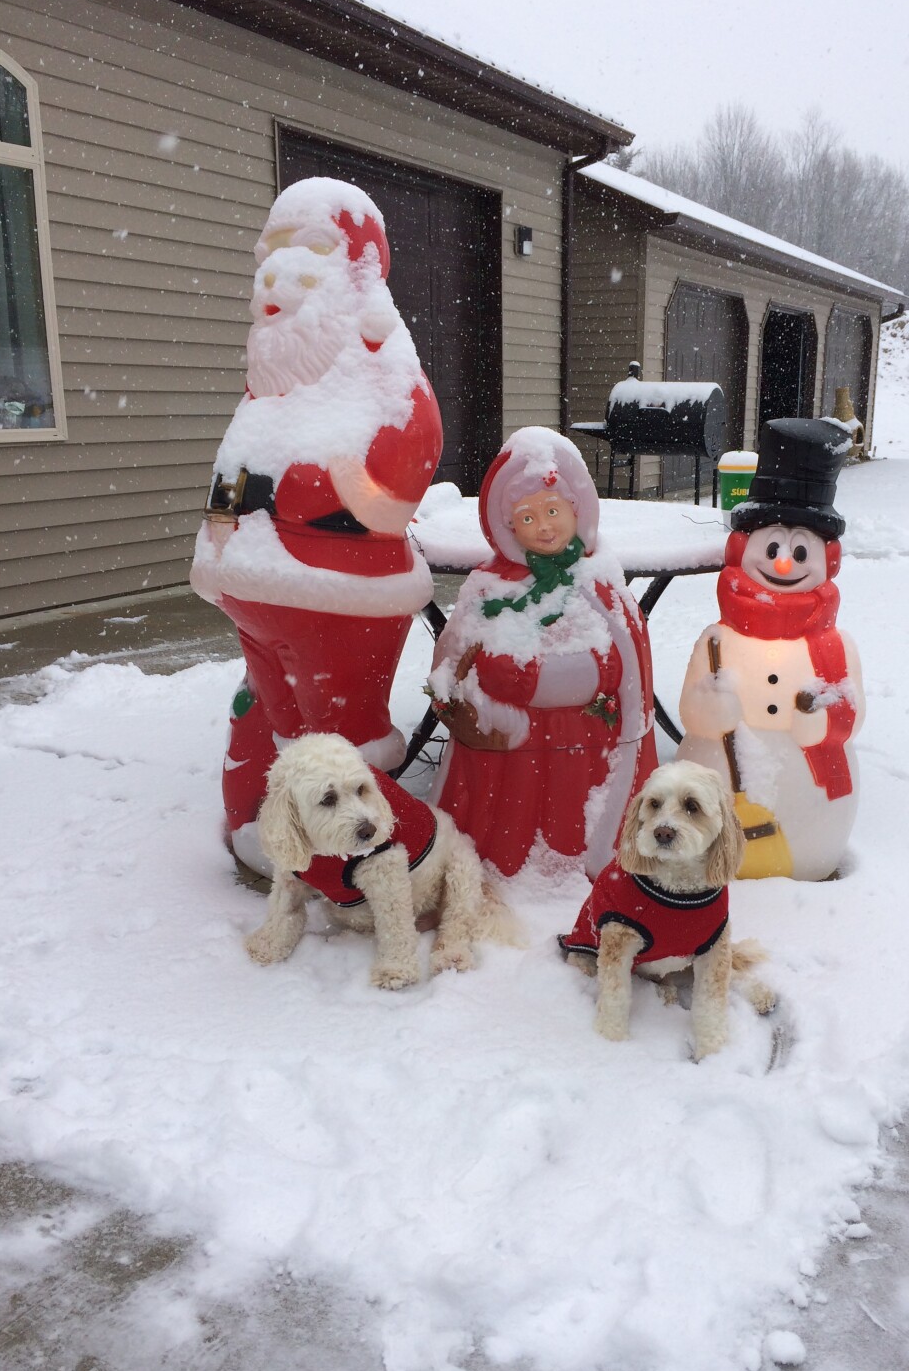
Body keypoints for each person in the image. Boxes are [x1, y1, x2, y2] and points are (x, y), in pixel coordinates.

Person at [189, 176, 443, 870]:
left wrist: (350, 489)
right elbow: (235, 470)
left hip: (338, 598)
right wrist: (224, 528)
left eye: (309, 248)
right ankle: (289, 838)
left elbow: (405, 457)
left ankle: (359, 861)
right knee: (280, 723)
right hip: (256, 592)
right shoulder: (271, 375)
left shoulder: (376, 364)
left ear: (354, 266)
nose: (278, 267)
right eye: (270, 249)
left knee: (340, 734)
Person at [427, 428, 657, 878]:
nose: (545, 526)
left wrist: (535, 679)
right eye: (527, 518)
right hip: (513, 752)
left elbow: (627, 666)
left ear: (577, 510)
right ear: (507, 526)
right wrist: (469, 696)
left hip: (587, 741)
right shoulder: (488, 587)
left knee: (577, 812)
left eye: (553, 511)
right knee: (509, 820)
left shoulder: (602, 584)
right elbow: (451, 661)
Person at [676, 418, 864, 881]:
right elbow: (689, 708)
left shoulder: (835, 647)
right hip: (725, 775)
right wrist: (707, 710)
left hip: (813, 789)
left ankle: (810, 862)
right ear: (743, 548)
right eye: (773, 546)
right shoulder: (718, 640)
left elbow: (853, 709)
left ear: (827, 560)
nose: (783, 562)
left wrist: (820, 720)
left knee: (804, 843)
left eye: (801, 553)